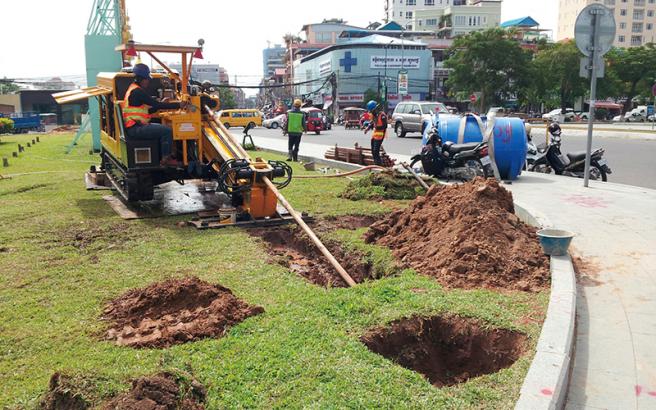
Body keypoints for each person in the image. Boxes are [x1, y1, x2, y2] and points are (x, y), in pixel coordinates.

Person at [123, 63, 186, 166]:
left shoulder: (132, 89)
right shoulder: (137, 92)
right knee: (167, 131)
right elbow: (156, 104)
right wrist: (179, 105)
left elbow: (147, 111)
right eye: (147, 79)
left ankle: (165, 156)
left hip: (135, 126)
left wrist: (161, 104)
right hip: (136, 128)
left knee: (162, 129)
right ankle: (166, 159)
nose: (148, 81)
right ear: (141, 79)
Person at [363, 100, 387, 166]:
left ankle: (379, 165)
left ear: (375, 109)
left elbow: (385, 126)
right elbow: (372, 122)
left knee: (376, 150)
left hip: (380, 134)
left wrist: (376, 127)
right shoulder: (374, 115)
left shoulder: (382, 115)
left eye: (372, 111)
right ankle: (376, 163)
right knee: (373, 151)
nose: (371, 112)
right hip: (375, 135)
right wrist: (367, 128)